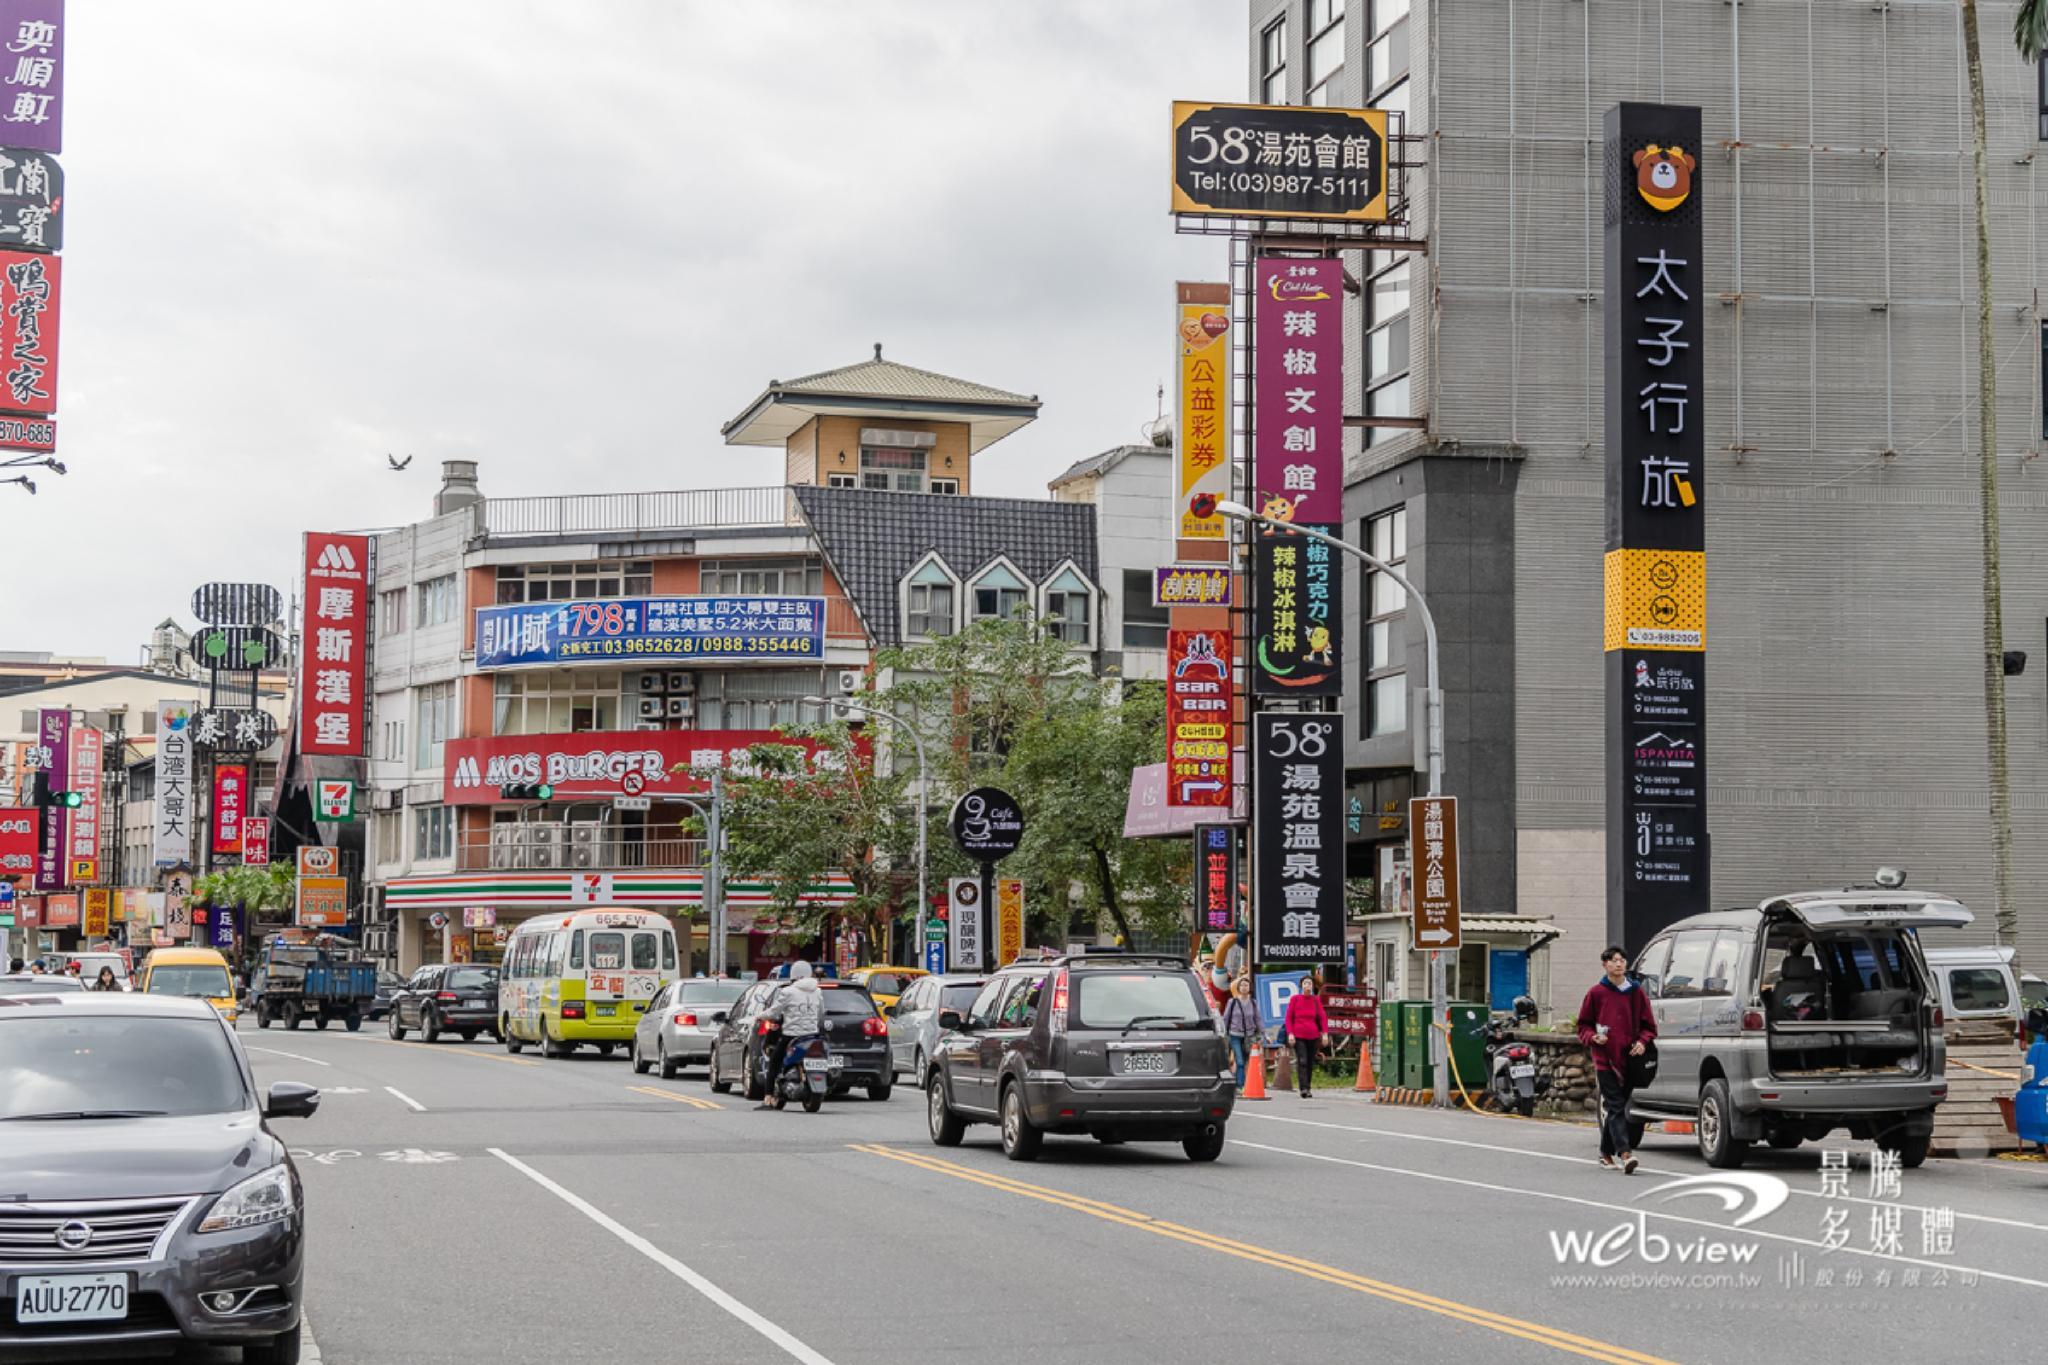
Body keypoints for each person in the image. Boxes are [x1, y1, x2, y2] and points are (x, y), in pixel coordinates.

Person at [1576, 945, 1658, 1174]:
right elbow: (1583, 1025)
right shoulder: (1596, 993)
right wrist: (1593, 1037)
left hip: (1630, 1060)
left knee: (1616, 1108)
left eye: (1622, 960)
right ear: (1605, 965)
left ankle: (1605, 1153)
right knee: (1616, 1105)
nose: (1619, 964)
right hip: (1604, 1060)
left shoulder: (1636, 992)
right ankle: (1625, 1153)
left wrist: (1642, 1042)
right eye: (1613, 960)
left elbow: (1649, 1026)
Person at [757, 960, 823, 1106]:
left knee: (774, 1061)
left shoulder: (788, 991)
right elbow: (820, 1014)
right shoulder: (817, 991)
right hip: (812, 1035)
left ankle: (768, 1097)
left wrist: (760, 1016)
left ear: (793, 975)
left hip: (792, 1035)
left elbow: (775, 1011)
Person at [1282, 976, 1329, 1099]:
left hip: (1313, 1035)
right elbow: (1289, 1017)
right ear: (1301, 986)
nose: (1308, 985)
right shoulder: (1295, 999)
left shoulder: (1315, 1000)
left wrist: (1325, 1033)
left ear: (1313, 986)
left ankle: (1308, 1087)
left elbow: (1322, 1017)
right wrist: (1290, 1033)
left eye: (1310, 983)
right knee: (1302, 1060)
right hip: (1298, 1035)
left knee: (1309, 1062)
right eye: (1305, 983)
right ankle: (1303, 1088)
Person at [1221, 975, 1263, 1088]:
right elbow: (1226, 1017)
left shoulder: (1253, 1003)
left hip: (1249, 1036)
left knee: (1244, 1061)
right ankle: (1241, 1085)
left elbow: (1258, 1019)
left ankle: (1236, 1080)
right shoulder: (1232, 1002)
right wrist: (1223, 1032)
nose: (1244, 987)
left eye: (1246, 985)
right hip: (1234, 1034)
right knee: (1239, 1060)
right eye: (1242, 985)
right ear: (1238, 988)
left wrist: (1263, 1033)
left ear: (1250, 987)